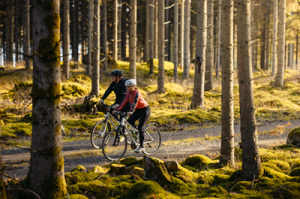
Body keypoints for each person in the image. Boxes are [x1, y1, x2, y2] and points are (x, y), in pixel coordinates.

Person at [113, 79, 151, 153]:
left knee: (141, 127)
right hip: (137, 110)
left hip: (145, 110)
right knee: (130, 121)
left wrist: (131, 111)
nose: (126, 88)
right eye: (126, 87)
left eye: (128, 87)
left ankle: (142, 146)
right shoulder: (128, 93)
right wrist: (117, 110)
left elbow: (134, 103)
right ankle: (137, 133)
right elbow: (124, 102)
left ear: (133, 86)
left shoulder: (137, 93)